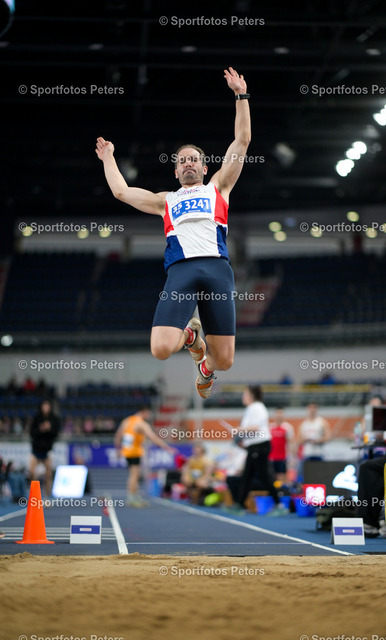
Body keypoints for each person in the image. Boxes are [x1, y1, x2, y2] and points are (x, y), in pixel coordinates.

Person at [96, 67, 251, 399]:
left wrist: (241, 95)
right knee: (161, 348)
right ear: (176, 170)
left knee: (224, 361)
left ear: (205, 167)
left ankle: (205, 368)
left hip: (217, 269)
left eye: (194, 160)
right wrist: (109, 158)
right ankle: (191, 337)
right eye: (182, 161)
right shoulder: (165, 201)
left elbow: (242, 141)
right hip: (181, 271)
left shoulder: (219, 188)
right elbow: (121, 191)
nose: (188, 164)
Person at [224, 386, 285, 515]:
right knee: (247, 476)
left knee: (264, 476)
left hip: (259, 446)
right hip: (254, 446)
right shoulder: (251, 408)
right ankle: (239, 504)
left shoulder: (257, 407)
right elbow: (251, 429)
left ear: (251, 396)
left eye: (245, 394)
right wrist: (240, 435)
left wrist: (238, 430)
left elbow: (256, 427)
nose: (243, 397)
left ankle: (279, 504)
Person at [114, 406, 176, 507]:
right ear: (144, 412)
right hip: (135, 452)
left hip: (127, 451)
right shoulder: (141, 424)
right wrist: (167, 447)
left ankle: (134, 495)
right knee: (134, 475)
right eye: (148, 414)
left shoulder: (127, 421)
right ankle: (132, 497)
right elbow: (153, 437)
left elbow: (118, 436)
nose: (149, 416)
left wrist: (118, 450)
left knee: (134, 475)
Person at [29, 399, 60, 496]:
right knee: (31, 472)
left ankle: (46, 496)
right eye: (44, 406)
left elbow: (56, 434)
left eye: (47, 406)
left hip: (47, 451)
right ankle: (34, 495)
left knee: (48, 474)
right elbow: (32, 432)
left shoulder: (54, 419)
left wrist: (49, 429)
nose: (45, 408)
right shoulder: (37, 418)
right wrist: (40, 429)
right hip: (36, 450)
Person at [268, 408, 295, 484]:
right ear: (274, 416)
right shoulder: (270, 427)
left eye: (281, 414)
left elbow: (291, 442)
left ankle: (282, 489)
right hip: (271, 457)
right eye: (277, 414)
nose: (279, 416)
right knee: (272, 477)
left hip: (283, 457)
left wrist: (292, 457)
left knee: (281, 477)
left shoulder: (287, 427)